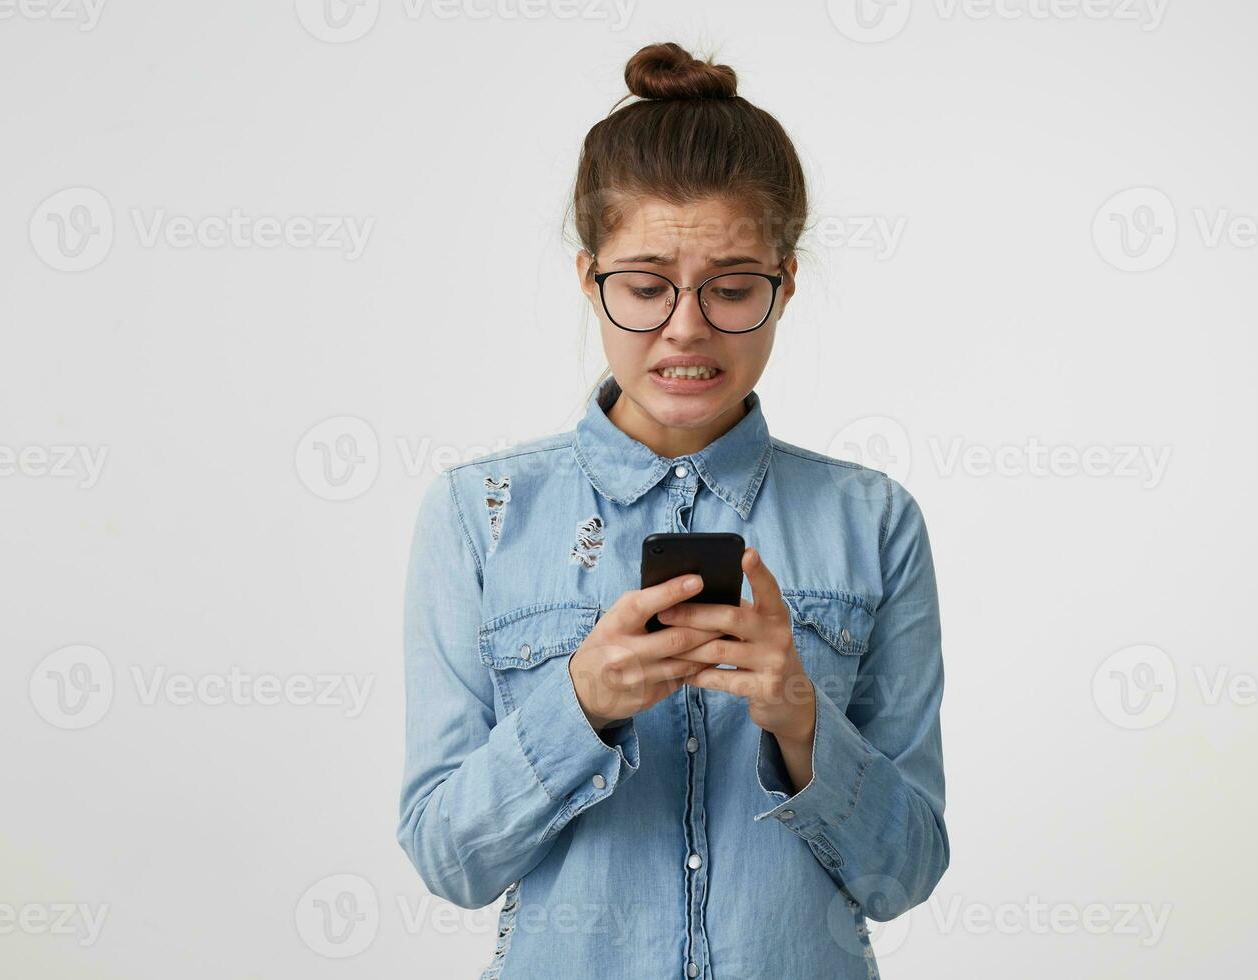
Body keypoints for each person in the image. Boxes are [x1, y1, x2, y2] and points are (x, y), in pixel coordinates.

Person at [397, 41, 949, 979]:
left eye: (732, 289)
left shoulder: (874, 521)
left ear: (785, 283)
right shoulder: (479, 515)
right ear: (589, 279)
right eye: (646, 287)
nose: (686, 327)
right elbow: (450, 859)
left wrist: (801, 722)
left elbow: (906, 875)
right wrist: (580, 707)